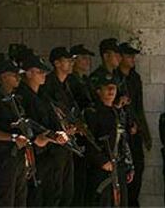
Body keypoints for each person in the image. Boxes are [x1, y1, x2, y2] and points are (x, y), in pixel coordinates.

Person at [17, 53, 69, 207]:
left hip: (50, 156)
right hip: (35, 157)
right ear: (28, 73)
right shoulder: (22, 96)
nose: (44, 75)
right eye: (39, 72)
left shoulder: (43, 96)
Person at [84, 72, 134, 207]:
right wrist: (101, 161)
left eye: (114, 87)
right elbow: (88, 141)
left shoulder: (117, 112)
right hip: (102, 171)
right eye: (107, 87)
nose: (111, 90)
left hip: (119, 168)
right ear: (99, 91)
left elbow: (123, 141)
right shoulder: (92, 113)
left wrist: (129, 165)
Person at [0, 59, 28, 207]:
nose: (18, 78)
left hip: (19, 158)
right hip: (5, 158)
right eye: (14, 75)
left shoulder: (17, 100)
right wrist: (12, 138)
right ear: (3, 77)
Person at [41, 47, 76, 207]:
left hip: (66, 144)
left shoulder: (66, 85)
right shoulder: (47, 85)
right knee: (54, 192)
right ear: (56, 63)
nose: (71, 64)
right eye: (67, 60)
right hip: (53, 147)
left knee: (66, 192)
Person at [118, 42, 152, 208]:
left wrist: (142, 130)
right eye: (129, 56)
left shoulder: (135, 78)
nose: (133, 59)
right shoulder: (114, 77)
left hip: (134, 131)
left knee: (138, 168)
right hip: (121, 135)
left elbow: (139, 107)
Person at [67, 43, 95, 207]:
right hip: (76, 136)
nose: (87, 61)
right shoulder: (71, 81)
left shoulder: (85, 80)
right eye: (83, 58)